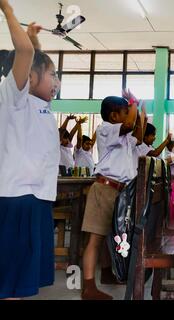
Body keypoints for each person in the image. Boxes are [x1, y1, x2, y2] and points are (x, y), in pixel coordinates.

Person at [0, 0, 60, 299]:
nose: (57, 82)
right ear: (30, 78)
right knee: (11, 280)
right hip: (17, 198)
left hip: (38, 198)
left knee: (24, 281)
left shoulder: (41, 105)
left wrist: (35, 38)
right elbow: (26, 55)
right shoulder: (14, 97)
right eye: (53, 76)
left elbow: (35, 59)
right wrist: (7, 11)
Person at [80, 94, 142, 300]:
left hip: (120, 191)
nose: (128, 117)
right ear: (114, 115)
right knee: (96, 238)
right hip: (104, 189)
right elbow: (130, 124)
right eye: (125, 112)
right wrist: (134, 104)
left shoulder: (123, 137)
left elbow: (139, 136)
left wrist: (140, 112)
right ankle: (88, 287)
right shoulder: (106, 129)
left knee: (114, 236)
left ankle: (108, 274)